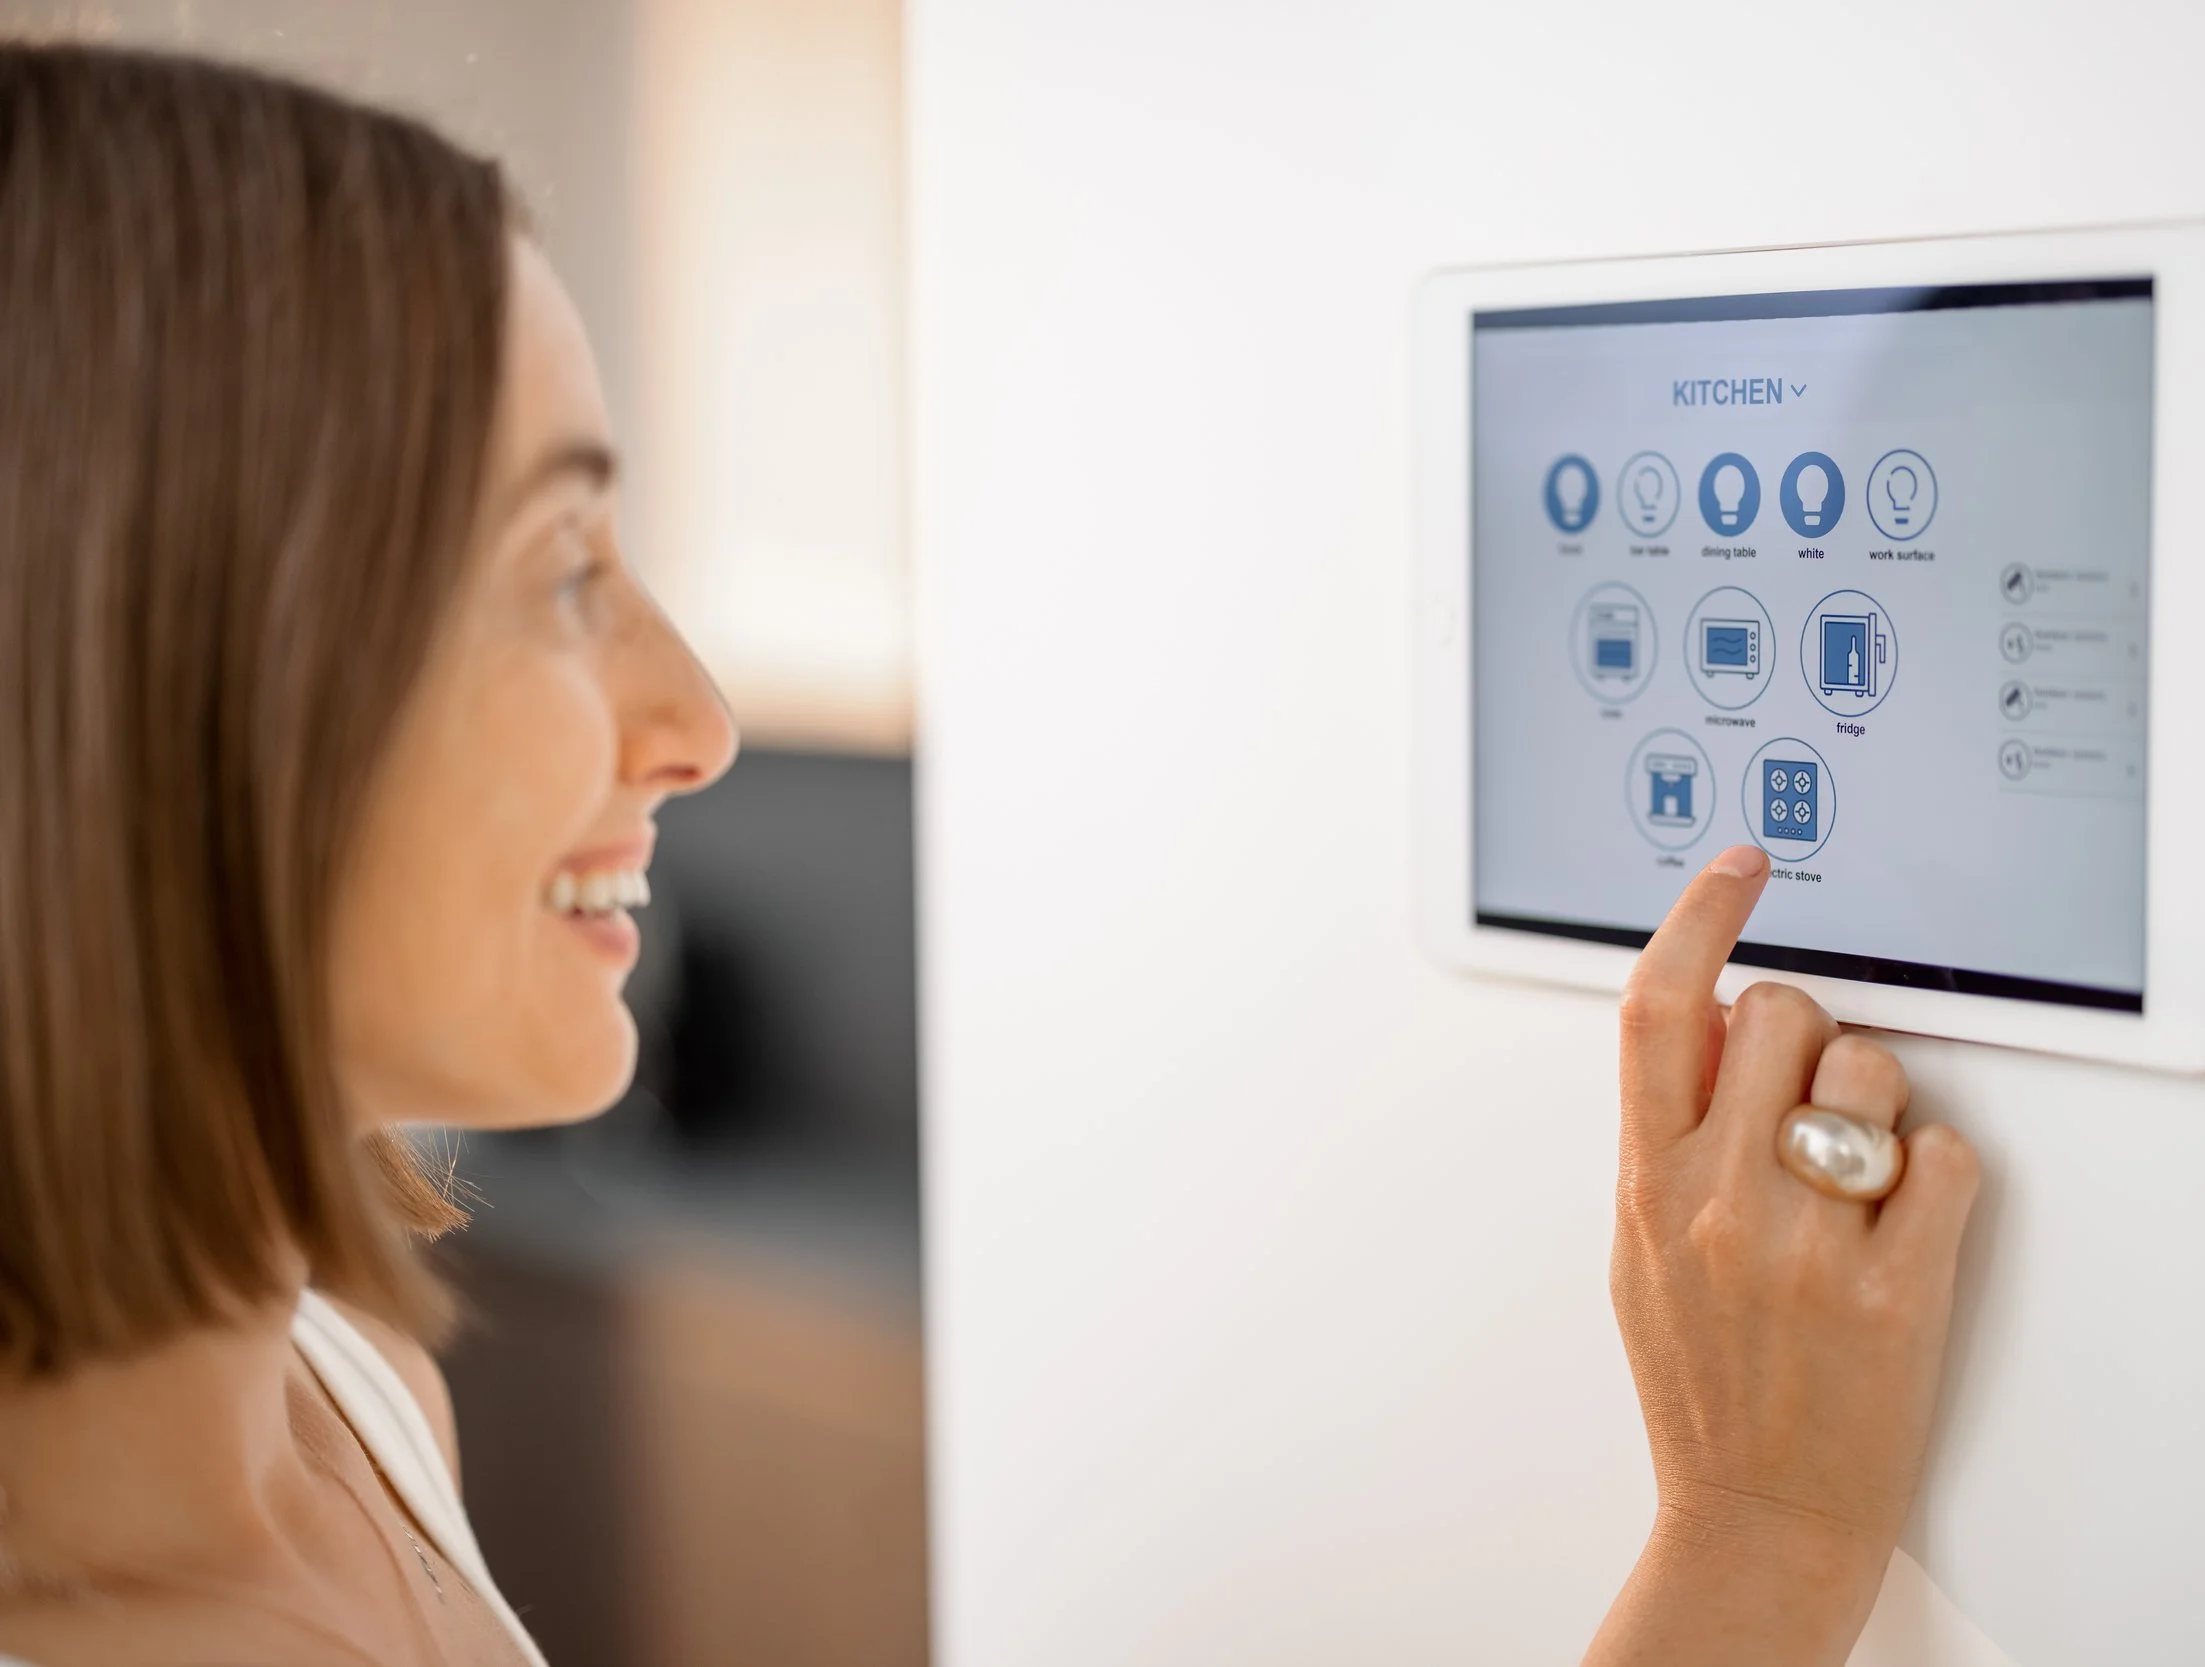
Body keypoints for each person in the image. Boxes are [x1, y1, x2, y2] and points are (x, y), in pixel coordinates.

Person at [0, 44, 1977, 1667]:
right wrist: (1756, 1543)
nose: (693, 713)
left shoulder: (346, 1404)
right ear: (170, 675)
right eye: (560, 568)